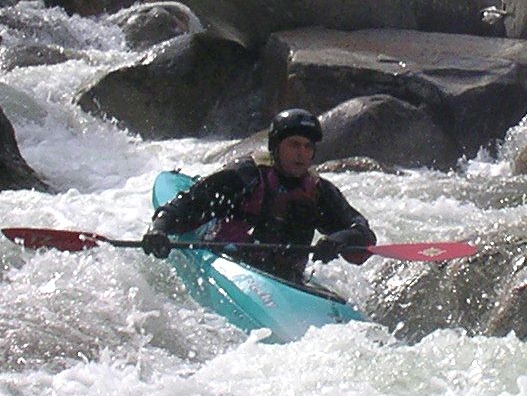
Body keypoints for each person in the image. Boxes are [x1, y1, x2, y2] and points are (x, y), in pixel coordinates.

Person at [142, 108, 375, 284]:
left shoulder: (319, 191)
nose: (302, 154)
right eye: (294, 145)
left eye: (307, 147)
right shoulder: (244, 176)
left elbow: (363, 232)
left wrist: (341, 239)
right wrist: (159, 229)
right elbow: (186, 205)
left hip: (285, 280)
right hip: (231, 264)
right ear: (276, 147)